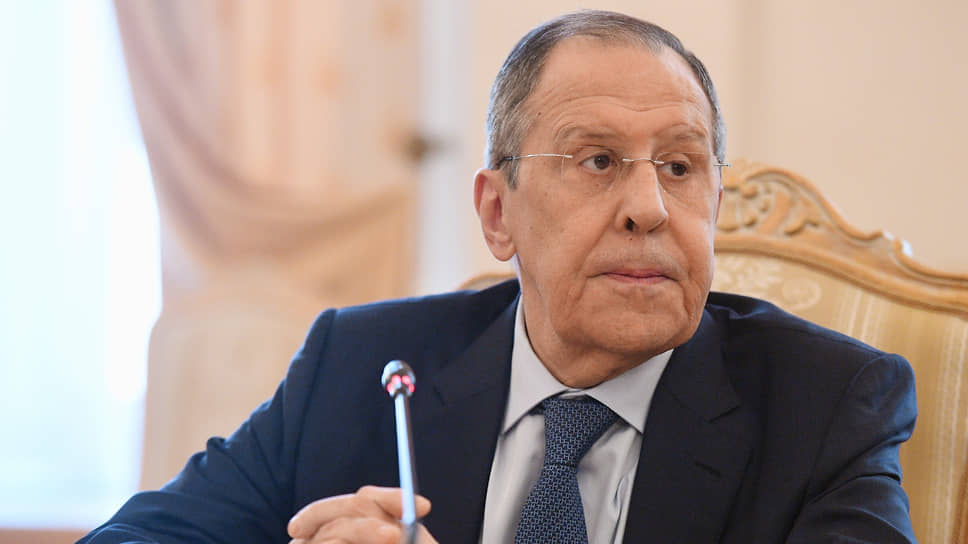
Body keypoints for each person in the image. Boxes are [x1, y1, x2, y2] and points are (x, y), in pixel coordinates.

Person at [79, 9, 917, 544]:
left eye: (680, 166)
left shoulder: (827, 403)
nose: (650, 208)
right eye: (597, 160)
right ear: (497, 213)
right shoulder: (360, 366)